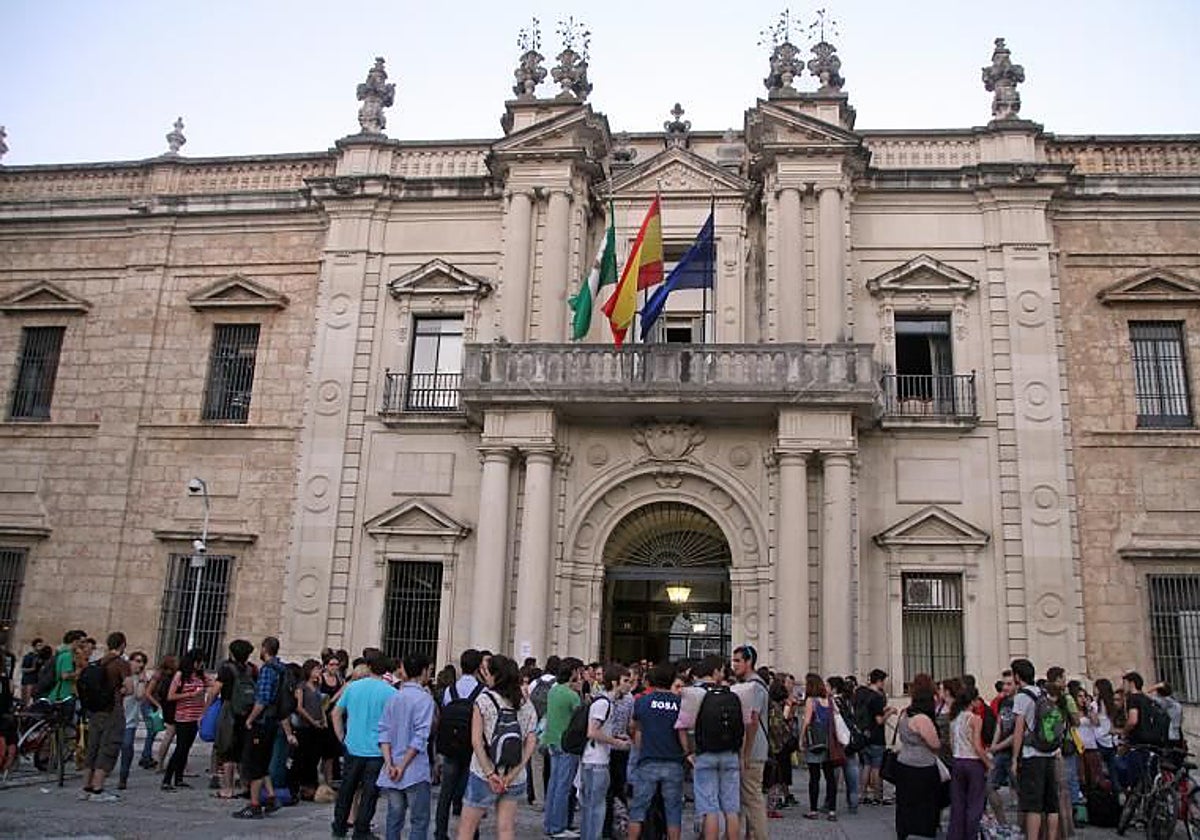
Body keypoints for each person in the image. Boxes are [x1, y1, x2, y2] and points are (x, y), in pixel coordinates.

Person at [456, 654, 538, 840]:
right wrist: (513, 773)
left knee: (467, 829)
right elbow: (531, 741)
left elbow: (476, 741)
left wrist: (490, 773)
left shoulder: (484, 700)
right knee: (506, 829)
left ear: (495, 675)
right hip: (514, 775)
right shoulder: (525, 703)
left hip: (483, 772)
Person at [675, 654, 744, 840]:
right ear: (715, 672)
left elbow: (681, 726)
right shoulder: (733, 693)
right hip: (730, 753)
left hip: (704, 753)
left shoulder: (692, 693)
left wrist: (687, 752)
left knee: (709, 807)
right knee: (731, 807)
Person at [331, 652, 395, 838]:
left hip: (353, 746)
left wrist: (342, 737)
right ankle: (361, 830)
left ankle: (339, 825)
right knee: (370, 794)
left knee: (347, 789)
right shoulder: (390, 692)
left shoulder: (352, 687)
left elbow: (336, 714)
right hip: (376, 750)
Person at [378, 651, 436, 840]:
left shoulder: (394, 697)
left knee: (394, 818)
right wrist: (402, 765)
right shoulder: (425, 699)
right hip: (414, 768)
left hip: (392, 766)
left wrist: (389, 763)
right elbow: (420, 737)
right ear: (423, 671)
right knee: (419, 821)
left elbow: (383, 731)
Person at [628, 662, 685, 840]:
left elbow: (635, 728)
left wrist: (640, 750)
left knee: (638, 809)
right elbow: (683, 732)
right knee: (673, 811)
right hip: (673, 760)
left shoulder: (642, 701)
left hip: (648, 760)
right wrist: (687, 752)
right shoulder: (679, 703)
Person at [232, 636, 285, 819]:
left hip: (262, 722)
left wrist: (250, 719)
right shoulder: (282, 668)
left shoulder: (268, 670)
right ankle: (271, 797)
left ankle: (254, 805)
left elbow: (262, 699)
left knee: (254, 762)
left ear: (265, 649)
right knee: (263, 761)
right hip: (274, 721)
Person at [436, 649, 486, 840]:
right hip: (471, 747)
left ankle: (440, 832)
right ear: (478, 667)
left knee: (445, 793)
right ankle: (471, 833)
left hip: (451, 745)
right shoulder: (482, 691)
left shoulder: (450, 690)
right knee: (471, 794)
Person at [580, 664, 633, 840]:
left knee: (591, 806)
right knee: (596, 808)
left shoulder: (604, 702)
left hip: (594, 760)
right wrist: (615, 742)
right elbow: (592, 731)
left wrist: (615, 737)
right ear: (614, 682)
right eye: (625, 681)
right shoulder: (604, 703)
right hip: (597, 761)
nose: (629, 684)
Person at [79, 631, 132, 802]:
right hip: (112, 709)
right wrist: (120, 691)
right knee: (109, 745)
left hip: (96, 710)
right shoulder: (121, 664)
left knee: (92, 746)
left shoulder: (99, 662)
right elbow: (130, 688)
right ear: (122, 645)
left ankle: (86, 786)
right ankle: (98, 788)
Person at [1011, 657, 1059, 840]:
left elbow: (1018, 729)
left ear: (1017, 676)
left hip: (1032, 753)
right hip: (1050, 751)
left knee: (1034, 804)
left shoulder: (1022, 696)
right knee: (1051, 804)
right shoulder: (1042, 692)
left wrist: (1015, 759)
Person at [893, 673, 943, 840]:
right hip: (922, 765)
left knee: (904, 802)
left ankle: (903, 831)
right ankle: (922, 831)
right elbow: (935, 744)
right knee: (924, 804)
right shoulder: (922, 719)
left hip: (904, 761)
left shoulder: (905, 713)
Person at [730, 644, 770, 837]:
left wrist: (745, 754)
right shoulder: (753, 685)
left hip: (752, 751)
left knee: (752, 798)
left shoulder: (754, 686)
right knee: (749, 798)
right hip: (753, 749)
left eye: (738, 661)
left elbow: (752, 721)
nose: (734, 664)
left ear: (749, 662)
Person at [543, 657, 584, 840]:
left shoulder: (554, 691)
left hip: (552, 740)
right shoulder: (572, 695)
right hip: (567, 744)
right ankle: (558, 827)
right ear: (574, 672)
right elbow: (580, 716)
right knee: (563, 787)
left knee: (553, 785)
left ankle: (550, 823)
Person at [212, 638, 257, 799]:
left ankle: (228, 788)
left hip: (229, 710)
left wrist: (206, 710)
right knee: (244, 751)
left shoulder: (227, 670)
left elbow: (215, 690)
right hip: (248, 713)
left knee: (228, 751)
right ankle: (245, 785)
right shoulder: (252, 670)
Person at [162, 647, 211, 792]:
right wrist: (190, 695)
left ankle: (179, 778)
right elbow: (171, 696)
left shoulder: (201, 676)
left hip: (195, 717)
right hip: (183, 717)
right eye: (199, 662)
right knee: (180, 748)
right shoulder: (180, 676)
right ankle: (167, 779)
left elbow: (213, 684)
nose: (201, 665)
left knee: (186, 749)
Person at [946, 681, 991, 840]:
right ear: (972, 701)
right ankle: (972, 835)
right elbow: (977, 746)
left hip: (958, 761)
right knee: (975, 803)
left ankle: (955, 835)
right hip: (973, 762)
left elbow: (952, 744)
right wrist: (988, 763)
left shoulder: (954, 719)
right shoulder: (975, 718)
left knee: (958, 804)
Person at [798, 673, 838, 821]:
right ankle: (832, 810)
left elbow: (807, 721)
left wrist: (801, 739)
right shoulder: (829, 700)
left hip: (814, 742)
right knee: (830, 777)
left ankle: (813, 810)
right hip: (828, 742)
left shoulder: (811, 701)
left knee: (814, 777)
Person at [854, 668, 894, 806]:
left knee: (866, 765)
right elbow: (879, 720)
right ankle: (877, 796)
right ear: (879, 681)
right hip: (876, 736)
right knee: (876, 767)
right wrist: (890, 713)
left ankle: (863, 794)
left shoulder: (861, 694)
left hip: (864, 734)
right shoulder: (877, 697)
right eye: (884, 682)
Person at [986, 669, 1017, 824]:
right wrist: (994, 746)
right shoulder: (1003, 702)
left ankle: (1023, 827)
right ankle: (1003, 823)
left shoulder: (1020, 702)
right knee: (989, 785)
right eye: (1004, 684)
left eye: (1009, 684)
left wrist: (996, 747)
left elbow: (1017, 733)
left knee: (1021, 792)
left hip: (1014, 752)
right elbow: (999, 723)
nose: (1005, 687)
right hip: (1001, 751)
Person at [116, 651, 148, 790]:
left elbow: (140, 696)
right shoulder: (123, 675)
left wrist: (141, 680)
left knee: (127, 746)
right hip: (116, 717)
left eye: (142, 662)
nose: (139, 664)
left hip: (130, 719)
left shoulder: (140, 679)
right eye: (137, 661)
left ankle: (123, 776)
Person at [146, 654, 178, 770]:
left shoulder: (171, 675)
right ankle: (157, 761)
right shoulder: (159, 675)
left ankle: (158, 761)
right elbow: (148, 693)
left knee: (167, 735)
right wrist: (158, 705)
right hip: (164, 706)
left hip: (166, 706)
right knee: (166, 735)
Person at [1149, 682, 1185, 749]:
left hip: (1171, 734)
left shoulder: (1167, 701)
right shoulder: (1174, 701)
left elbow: (1147, 695)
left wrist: (1155, 686)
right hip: (1176, 733)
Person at [19, 637, 43, 707]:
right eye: (39, 645)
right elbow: (23, 669)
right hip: (28, 680)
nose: (40, 647)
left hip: (38, 680)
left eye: (41, 646)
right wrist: (32, 669)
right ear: (34, 646)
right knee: (26, 700)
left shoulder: (41, 657)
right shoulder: (28, 656)